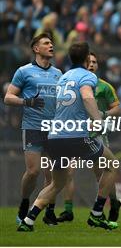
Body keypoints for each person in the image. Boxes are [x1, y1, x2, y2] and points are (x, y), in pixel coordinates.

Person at [17, 42, 119, 231]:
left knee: (57, 183)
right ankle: (97, 214)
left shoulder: (63, 77)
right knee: (112, 165)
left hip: (55, 137)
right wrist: (98, 120)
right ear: (87, 58)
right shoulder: (87, 76)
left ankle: (29, 220)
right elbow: (87, 96)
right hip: (77, 135)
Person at [4, 33, 62, 226]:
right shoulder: (24, 71)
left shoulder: (58, 74)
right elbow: (8, 97)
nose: (51, 45)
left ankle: (49, 212)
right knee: (33, 172)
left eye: (52, 43)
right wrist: (26, 101)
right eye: (46, 43)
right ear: (36, 49)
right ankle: (24, 202)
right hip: (33, 127)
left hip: (53, 128)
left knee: (52, 175)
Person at [57, 52, 121, 222]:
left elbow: (117, 108)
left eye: (94, 61)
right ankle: (68, 211)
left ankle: (113, 202)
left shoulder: (104, 86)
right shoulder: (74, 84)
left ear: (98, 65)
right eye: (89, 61)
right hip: (75, 133)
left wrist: (103, 114)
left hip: (96, 134)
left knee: (101, 174)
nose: (91, 64)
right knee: (68, 172)